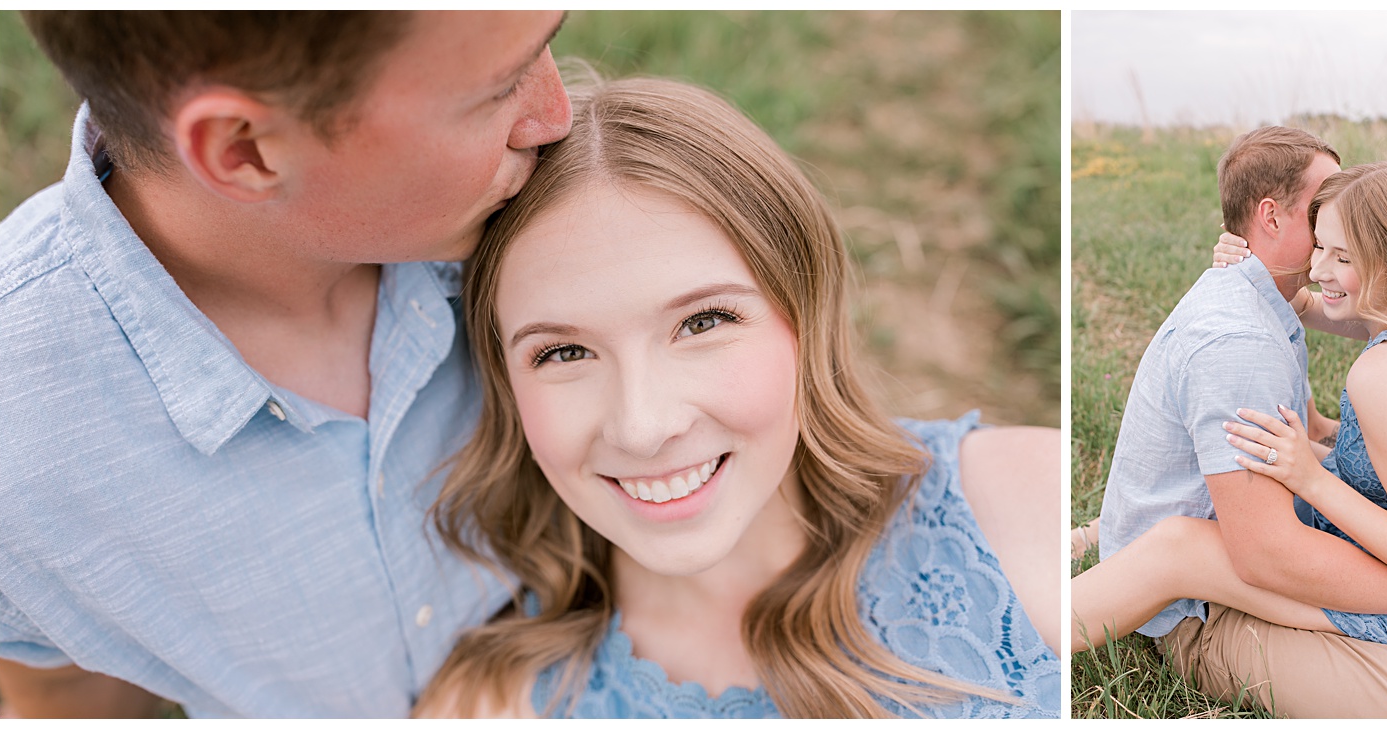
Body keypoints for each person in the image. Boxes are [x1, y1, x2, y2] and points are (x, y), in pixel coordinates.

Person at [408, 77, 1061, 719]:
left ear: (804, 316)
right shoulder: (495, 702)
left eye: (702, 323)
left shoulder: (1020, 506)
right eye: (563, 353)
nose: (642, 426)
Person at [0, 11, 571, 718]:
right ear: (244, 151)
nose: (557, 115)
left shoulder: (564, 216)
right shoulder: (16, 456)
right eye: (501, 87)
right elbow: (54, 672)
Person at [1081, 126, 1387, 719]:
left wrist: (1314, 480)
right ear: (1271, 218)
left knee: (1183, 552)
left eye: (1341, 251)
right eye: (1319, 235)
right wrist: (1251, 272)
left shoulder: (1381, 374)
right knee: (1181, 548)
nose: (1321, 259)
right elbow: (1306, 303)